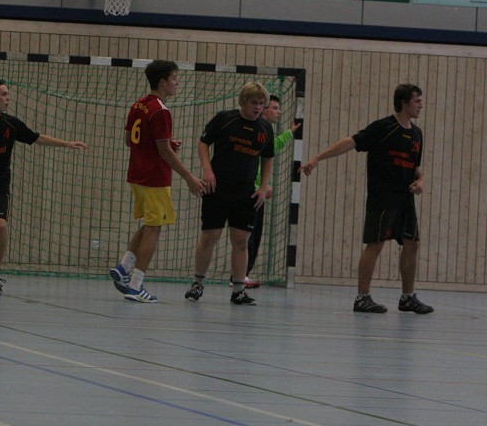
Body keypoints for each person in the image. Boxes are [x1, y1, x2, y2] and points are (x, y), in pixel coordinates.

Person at [301, 83, 433, 314]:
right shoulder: (384, 127)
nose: (421, 105)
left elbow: (416, 167)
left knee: (413, 243)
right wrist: (317, 158)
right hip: (382, 197)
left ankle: (407, 297)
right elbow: (350, 142)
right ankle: (362, 297)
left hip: (405, 199)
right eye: (417, 101)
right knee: (376, 244)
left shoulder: (417, 133)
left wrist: (420, 181)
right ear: (404, 103)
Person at [0, 80, 88, 294]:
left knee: (1, 225)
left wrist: (67, 143)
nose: (8, 98)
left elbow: (37, 138)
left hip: (0, 186)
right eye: (4, 94)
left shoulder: (11, 124)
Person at [109, 60, 206, 302]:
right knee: (154, 228)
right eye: (174, 78)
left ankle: (124, 267)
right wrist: (188, 176)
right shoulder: (161, 110)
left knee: (149, 224)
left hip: (136, 175)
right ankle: (135, 284)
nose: (177, 82)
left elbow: (129, 139)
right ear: (162, 82)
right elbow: (163, 151)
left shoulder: (139, 105)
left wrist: (163, 144)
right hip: (154, 178)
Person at [184, 82, 274, 305]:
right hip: (217, 189)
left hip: (246, 194)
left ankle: (238, 290)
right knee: (210, 237)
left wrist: (263, 187)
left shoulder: (265, 128)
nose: (258, 108)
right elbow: (203, 143)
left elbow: (268, 157)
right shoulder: (225, 119)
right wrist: (207, 169)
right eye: (254, 103)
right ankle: (198, 283)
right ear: (243, 102)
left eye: (262, 104)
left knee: (241, 241)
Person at [244, 94, 300, 288]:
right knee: (247, 236)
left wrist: (290, 132)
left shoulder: (265, 131)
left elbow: (272, 147)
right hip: (250, 191)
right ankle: (240, 275)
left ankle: (243, 274)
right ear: (264, 109)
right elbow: (256, 160)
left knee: (255, 236)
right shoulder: (255, 129)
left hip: (257, 192)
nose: (279, 111)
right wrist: (262, 184)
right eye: (275, 108)